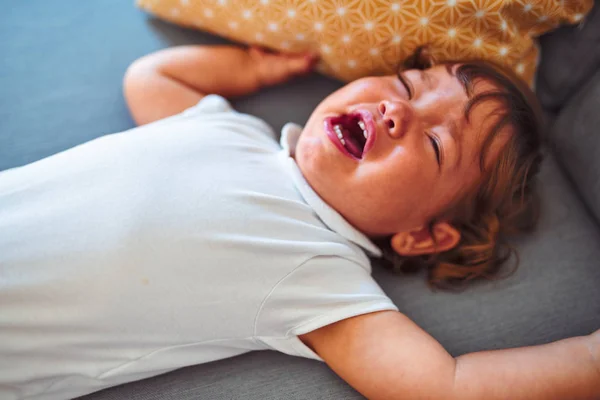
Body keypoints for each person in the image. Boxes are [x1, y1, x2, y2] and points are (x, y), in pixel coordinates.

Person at [0, 44, 597, 400]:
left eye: (438, 145)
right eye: (407, 85)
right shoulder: (228, 128)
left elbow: (444, 386)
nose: (395, 110)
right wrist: (253, 68)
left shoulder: (321, 274)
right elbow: (154, 77)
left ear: (422, 235)